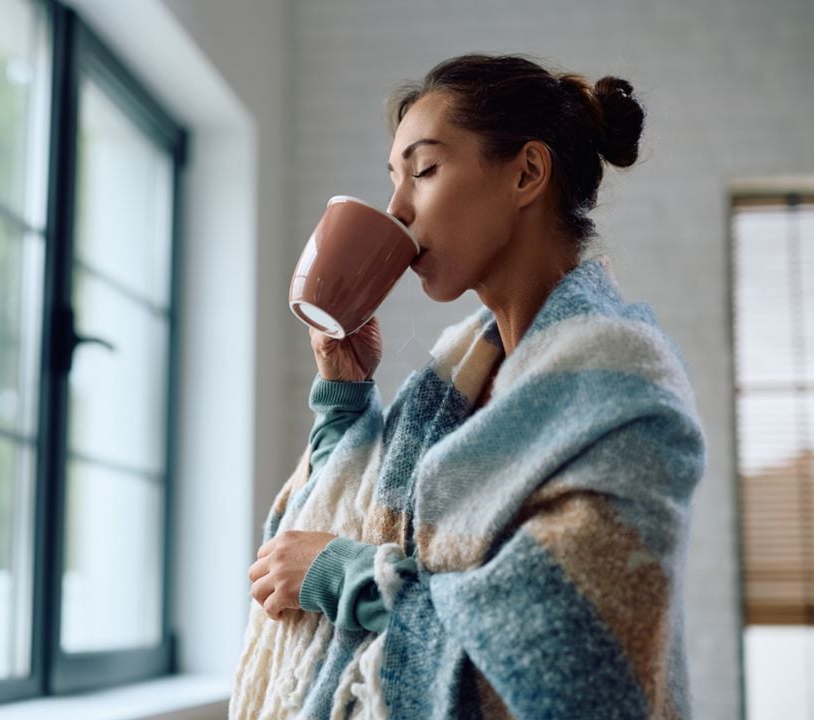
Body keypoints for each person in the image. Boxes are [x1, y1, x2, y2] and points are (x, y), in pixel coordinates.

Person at [231, 53, 706, 719]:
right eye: (393, 182)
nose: (397, 211)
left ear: (526, 173)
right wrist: (342, 390)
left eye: (423, 170)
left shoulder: (625, 391)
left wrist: (353, 579)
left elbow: (572, 663)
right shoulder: (448, 387)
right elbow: (317, 535)